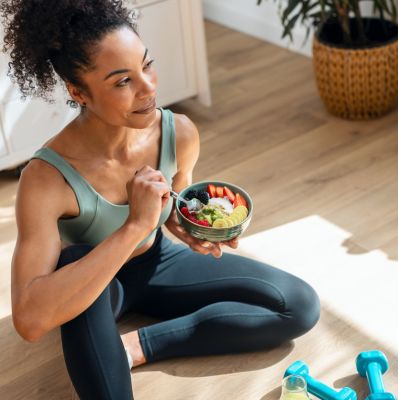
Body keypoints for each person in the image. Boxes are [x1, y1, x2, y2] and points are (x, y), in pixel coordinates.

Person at [1, 1, 320, 399]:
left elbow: (172, 208)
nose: (148, 87)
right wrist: (135, 223)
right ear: (78, 92)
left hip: (157, 264)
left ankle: (135, 347)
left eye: (146, 65)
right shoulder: (47, 178)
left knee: (299, 305)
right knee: (74, 259)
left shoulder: (178, 133)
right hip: (92, 283)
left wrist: (191, 229)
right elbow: (30, 320)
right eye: (122, 81)